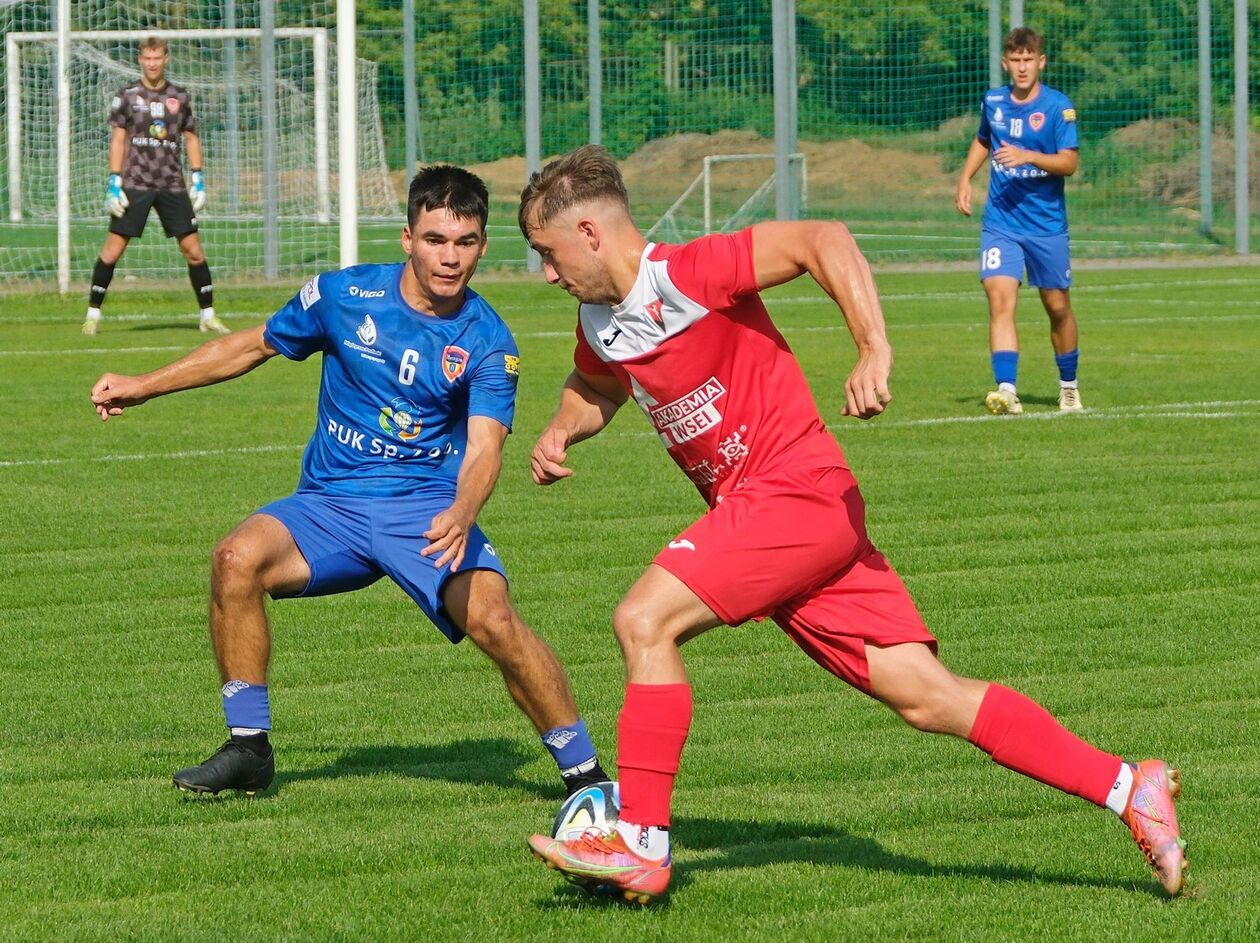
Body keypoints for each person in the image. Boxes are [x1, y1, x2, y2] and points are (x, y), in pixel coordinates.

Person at [519, 145, 1185, 903]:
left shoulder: (687, 273)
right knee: (927, 695)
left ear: (590, 231)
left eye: (548, 252)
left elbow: (822, 238)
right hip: (782, 519)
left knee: (643, 620)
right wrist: (562, 429)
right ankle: (1131, 786)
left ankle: (640, 840)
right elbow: (597, 383)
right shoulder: (598, 319)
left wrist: (873, 343)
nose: (547, 272)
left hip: (793, 492)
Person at [89, 165, 607, 800]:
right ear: (407, 238)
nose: (450, 258)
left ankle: (588, 777)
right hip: (327, 508)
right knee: (235, 558)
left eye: (466, 242)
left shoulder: (488, 341)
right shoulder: (341, 297)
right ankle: (249, 748)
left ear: (481, 245)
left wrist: (465, 509)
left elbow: (484, 448)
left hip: (423, 513)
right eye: (436, 240)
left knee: (496, 622)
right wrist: (143, 385)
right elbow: (250, 346)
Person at [955, 27, 1082, 415]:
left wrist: (1028, 156)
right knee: (999, 298)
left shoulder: (1059, 107)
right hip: (1001, 222)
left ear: (1041, 62)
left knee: (1057, 306)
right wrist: (965, 178)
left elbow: (1070, 163)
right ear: (1005, 63)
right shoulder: (993, 101)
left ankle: (1069, 387)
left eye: (1029, 60)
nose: (1022, 67)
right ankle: (1006, 390)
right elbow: (983, 139)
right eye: (1016, 60)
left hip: (1046, 226)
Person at [83, 36, 227, 336]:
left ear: (166, 59)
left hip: (172, 184)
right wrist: (114, 181)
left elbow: (191, 138)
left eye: (157, 57)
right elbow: (119, 139)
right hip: (135, 183)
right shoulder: (127, 96)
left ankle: (208, 315)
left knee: (194, 252)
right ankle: (92, 315)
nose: (152, 63)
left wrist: (198, 177)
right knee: (112, 250)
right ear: (140, 59)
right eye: (147, 58)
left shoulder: (180, 97)